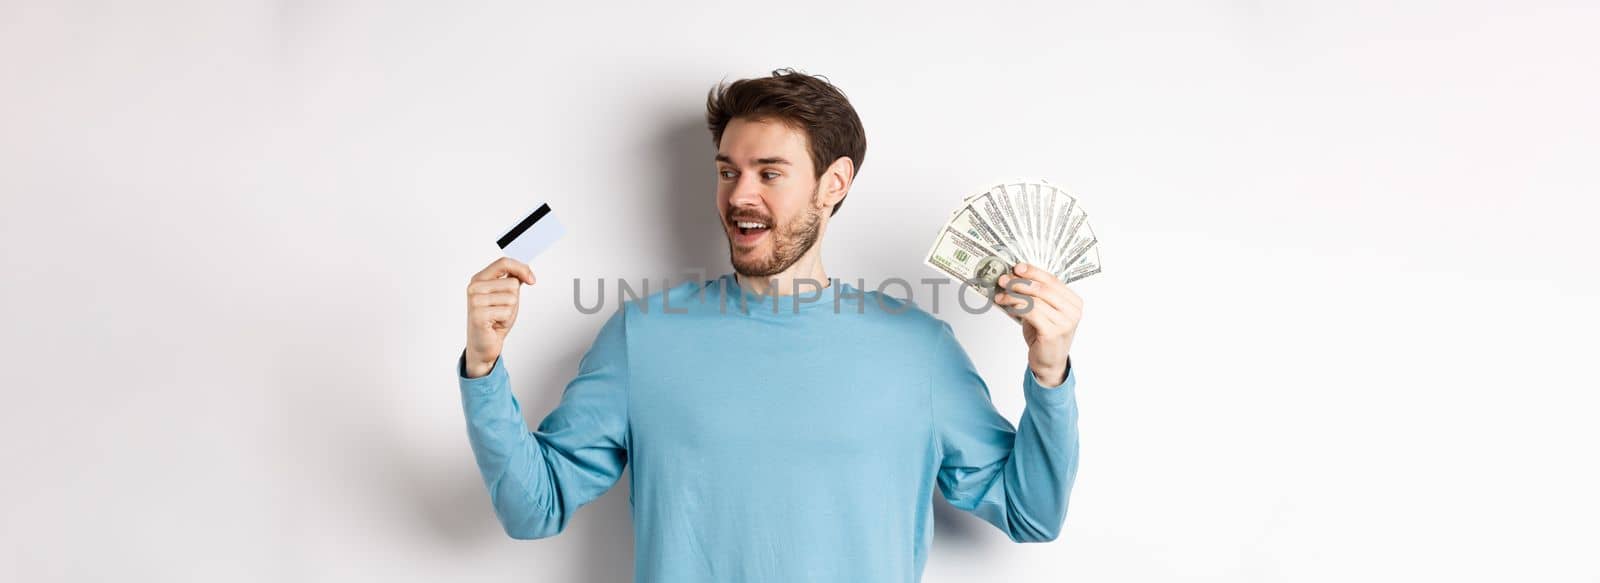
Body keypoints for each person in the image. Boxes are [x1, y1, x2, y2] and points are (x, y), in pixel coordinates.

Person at [457, 68, 1085, 582]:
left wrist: (1049, 371)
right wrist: (484, 368)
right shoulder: (642, 336)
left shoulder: (919, 350)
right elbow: (532, 510)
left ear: (832, 185)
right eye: (727, 170)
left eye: (770, 172)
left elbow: (1032, 515)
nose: (738, 196)